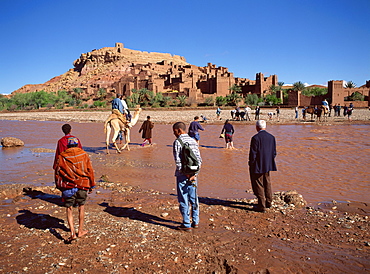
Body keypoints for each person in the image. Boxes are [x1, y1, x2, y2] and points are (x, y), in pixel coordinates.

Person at [54, 137, 96, 243]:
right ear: (77, 145)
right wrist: (92, 185)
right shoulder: (84, 155)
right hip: (82, 184)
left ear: (68, 146)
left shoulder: (62, 156)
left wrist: (59, 186)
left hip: (68, 186)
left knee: (69, 209)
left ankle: (72, 233)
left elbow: (57, 172)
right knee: (81, 207)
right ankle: (80, 231)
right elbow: (89, 170)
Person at [172, 122, 202, 231]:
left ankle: (186, 223)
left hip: (182, 176)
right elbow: (199, 160)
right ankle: (196, 221)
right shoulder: (193, 141)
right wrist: (194, 174)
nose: (174, 134)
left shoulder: (177, 142)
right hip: (194, 175)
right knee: (194, 199)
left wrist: (185, 173)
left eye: (174, 131)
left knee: (183, 199)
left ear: (179, 130)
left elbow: (178, 162)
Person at [248, 120, 277, 212]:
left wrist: (251, 163)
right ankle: (269, 202)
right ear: (265, 127)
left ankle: (261, 206)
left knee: (258, 184)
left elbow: (253, 154)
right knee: (267, 182)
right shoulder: (272, 137)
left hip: (257, 165)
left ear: (257, 127)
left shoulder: (255, 138)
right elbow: (274, 153)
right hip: (268, 164)